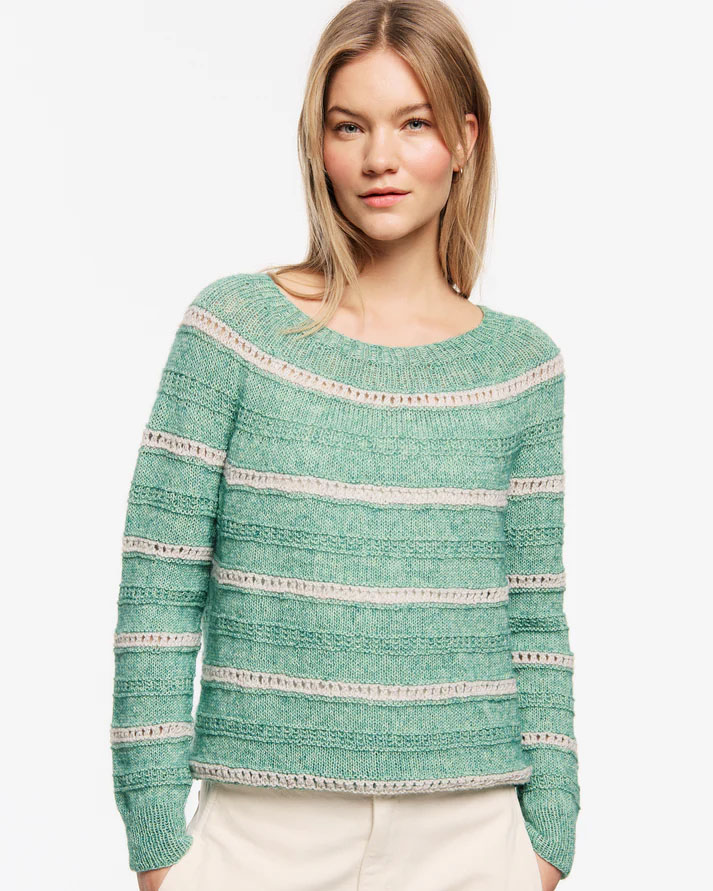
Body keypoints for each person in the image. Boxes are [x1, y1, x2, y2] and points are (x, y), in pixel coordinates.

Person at [110, 1, 581, 888]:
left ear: (465, 139)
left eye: (414, 123)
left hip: (471, 835)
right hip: (261, 836)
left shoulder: (520, 367)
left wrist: (549, 830)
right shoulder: (233, 330)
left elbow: (532, 612)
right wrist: (157, 840)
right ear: (317, 143)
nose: (378, 158)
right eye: (348, 125)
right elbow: (158, 587)